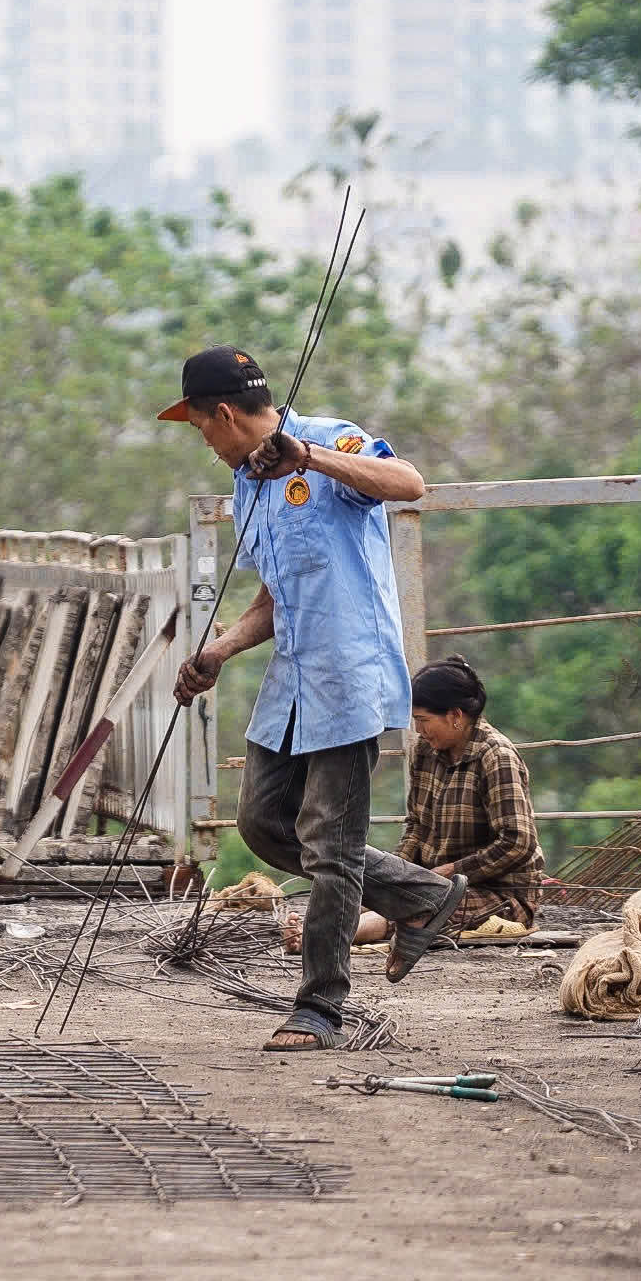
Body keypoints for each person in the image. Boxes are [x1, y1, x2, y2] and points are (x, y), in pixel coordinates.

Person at [161, 344, 463, 1052]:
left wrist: (309, 457)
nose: (204, 443)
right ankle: (422, 895)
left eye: (201, 428)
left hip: (348, 677)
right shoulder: (248, 486)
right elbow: (275, 594)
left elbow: (409, 481)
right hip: (293, 679)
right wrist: (219, 651)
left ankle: (320, 1006)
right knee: (263, 822)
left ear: (226, 414)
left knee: (332, 846)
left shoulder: (329, 440)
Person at [284, 657, 548, 955]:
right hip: (431, 880)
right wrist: (393, 874)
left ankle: (320, 938)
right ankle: (318, 926)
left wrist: (450, 872)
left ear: (455, 716)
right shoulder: (425, 751)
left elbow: (518, 842)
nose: (419, 730)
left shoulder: (496, 757)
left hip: (499, 894)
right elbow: (417, 826)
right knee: (370, 892)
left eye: (423, 720)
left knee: (417, 913)